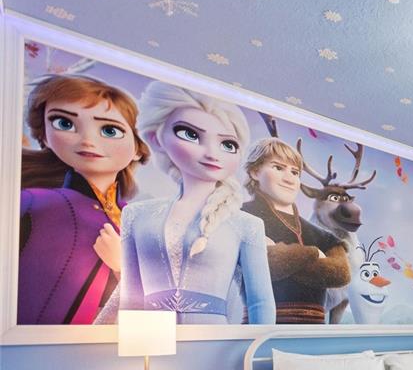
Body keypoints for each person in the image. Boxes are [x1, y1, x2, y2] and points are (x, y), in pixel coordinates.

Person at [117, 82, 275, 324]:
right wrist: (128, 342)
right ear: (156, 138)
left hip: (215, 340)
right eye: (190, 134)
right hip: (148, 340)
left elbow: (260, 303)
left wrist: (258, 345)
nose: (212, 153)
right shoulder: (136, 215)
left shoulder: (246, 225)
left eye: (228, 145)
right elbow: (130, 297)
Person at [18, 75, 150, 324]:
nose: (88, 140)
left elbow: (156, 307)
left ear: (137, 149)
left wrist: (122, 267)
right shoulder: (35, 203)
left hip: (110, 341)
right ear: (44, 137)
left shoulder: (139, 220)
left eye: (109, 130)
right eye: (64, 123)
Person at [241, 138, 350, 323]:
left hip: (313, 331)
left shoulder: (322, 235)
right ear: (255, 171)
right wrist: (313, 253)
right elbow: (264, 264)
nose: (289, 179)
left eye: (295, 172)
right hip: (262, 329)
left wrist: (285, 255)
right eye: (278, 168)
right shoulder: (240, 217)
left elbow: (341, 273)